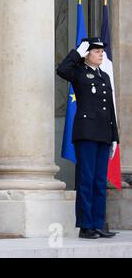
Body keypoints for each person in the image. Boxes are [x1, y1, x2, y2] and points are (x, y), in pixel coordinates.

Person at [57, 37, 119, 240]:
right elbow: (62, 70)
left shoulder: (105, 77)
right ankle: (85, 226)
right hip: (86, 133)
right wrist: (78, 51)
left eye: (102, 51)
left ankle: (98, 224)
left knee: (100, 181)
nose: (101, 53)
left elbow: (110, 109)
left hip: (103, 134)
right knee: (87, 179)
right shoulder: (79, 72)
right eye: (96, 50)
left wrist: (114, 137)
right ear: (87, 54)